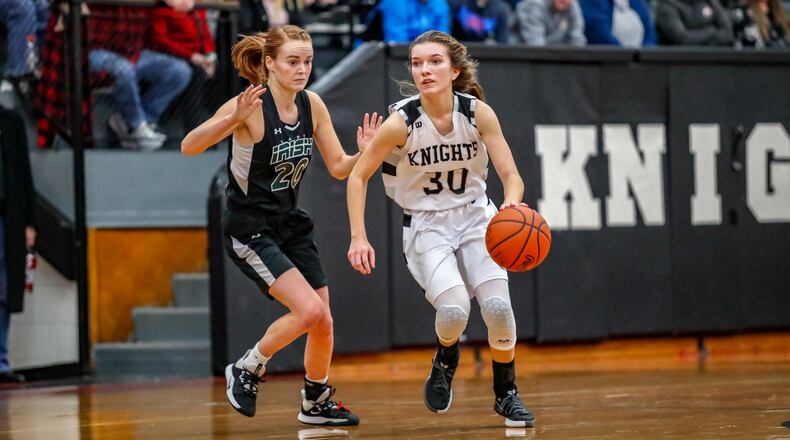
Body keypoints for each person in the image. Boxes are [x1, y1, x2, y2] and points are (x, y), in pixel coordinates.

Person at [181, 25, 381, 425]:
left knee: (323, 321)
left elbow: (341, 168)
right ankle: (248, 366)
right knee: (307, 311)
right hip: (249, 227)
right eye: (292, 61)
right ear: (269, 64)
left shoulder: (313, 105)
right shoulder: (250, 105)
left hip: (289, 223)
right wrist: (232, 118)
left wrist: (366, 152)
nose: (302, 68)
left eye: (307, 61)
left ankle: (316, 401)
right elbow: (189, 145)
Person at [346, 30, 535, 428]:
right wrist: (358, 236)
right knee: (454, 311)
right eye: (417, 63)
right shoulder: (402, 122)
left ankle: (507, 394)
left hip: (475, 216)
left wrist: (513, 204)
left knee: (499, 308)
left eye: (434, 62)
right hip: (426, 224)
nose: (424, 70)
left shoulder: (477, 113)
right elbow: (357, 176)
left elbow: (510, 175)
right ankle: (446, 357)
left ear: (454, 70)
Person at [0, 108, 36, 383]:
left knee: (3, 289)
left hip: (5, 219)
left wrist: (29, 222)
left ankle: (1, 361)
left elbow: (23, 173)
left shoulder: (11, 121)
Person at [654, 0, 734, 45]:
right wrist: (712, 31)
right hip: (679, 63)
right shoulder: (667, 5)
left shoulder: (710, 2)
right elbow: (682, 39)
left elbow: (728, 32)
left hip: (715, 58)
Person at [580, 0, 657, 46]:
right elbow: (598, 33)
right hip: (609, 64)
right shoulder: (592, 2)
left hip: (643, 64)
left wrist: (645, 57)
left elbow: (650, 33)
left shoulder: (638, 2)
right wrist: (629, 57)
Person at [512, 0, 587, 46]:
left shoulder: (572, 5)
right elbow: (535, 46)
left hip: (551, 57)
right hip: (518, 59)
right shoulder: (534, 5)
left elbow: (577, 39)